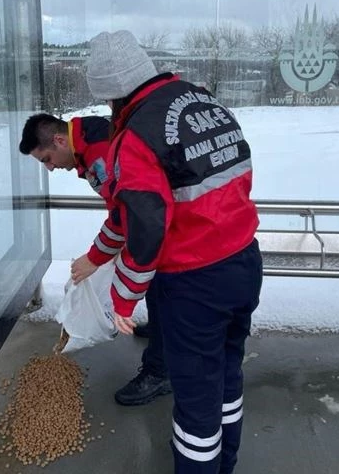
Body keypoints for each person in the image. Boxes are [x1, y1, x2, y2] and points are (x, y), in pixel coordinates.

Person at [84, 30, 263, 474]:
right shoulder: (203, 101)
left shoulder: (137, 134)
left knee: (196, 402)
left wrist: (124, 297)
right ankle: (226, 464)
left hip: (195, 282)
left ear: (112, 95)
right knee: (227, 376)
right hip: (244, 260)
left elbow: (145, 227)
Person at [18, 112, 171, 406]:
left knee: (165, 289)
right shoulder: (87, 139)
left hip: (167, 229)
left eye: (47, 159)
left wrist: (95, 258)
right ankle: (159, 329)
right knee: (156, 285)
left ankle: (160, 371)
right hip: (156, 224)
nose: (50, 168)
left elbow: (126, 213)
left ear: (60, 140)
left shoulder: (100, 151)